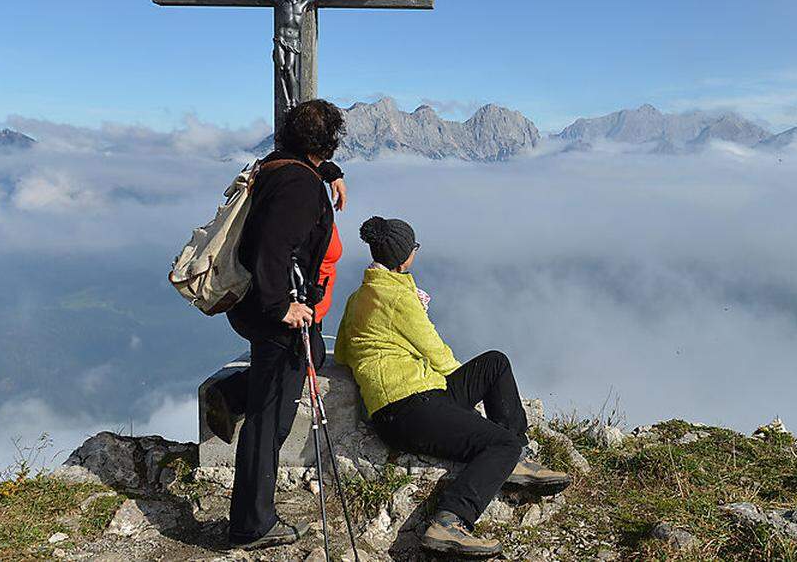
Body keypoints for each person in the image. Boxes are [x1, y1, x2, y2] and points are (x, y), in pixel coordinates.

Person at [335, 216, 571, 558]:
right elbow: (438, 353)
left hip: (415, 396)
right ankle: (450, 520)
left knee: (494, 362)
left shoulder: (360, 296)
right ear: (405, 257)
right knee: (500, 442)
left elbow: (342, 352)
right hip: (406, 409)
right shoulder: (398, 298)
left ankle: (514, 460)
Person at [201, 99, 348, 550]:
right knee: (271, 419)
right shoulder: (300, 189)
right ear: (327, 142)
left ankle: (227, 393)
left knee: (312, 360)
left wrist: (330, 172)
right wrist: (280, 307)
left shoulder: (278, 166)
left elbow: (296, 176)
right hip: (274, 318)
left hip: (251, 307)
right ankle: (251, 524)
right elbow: (272, 249)